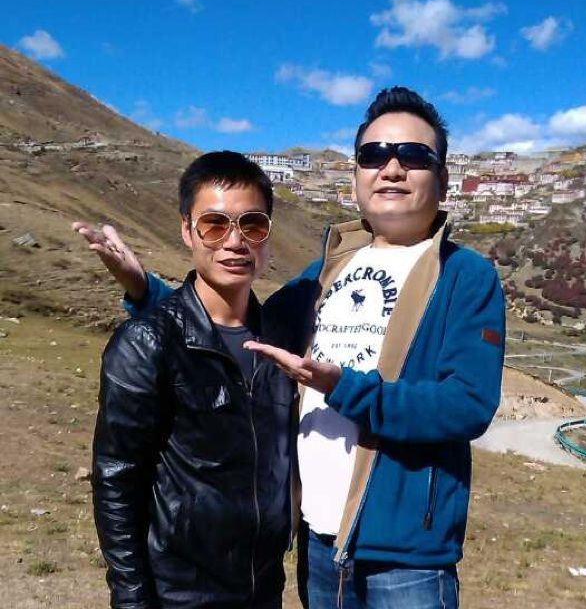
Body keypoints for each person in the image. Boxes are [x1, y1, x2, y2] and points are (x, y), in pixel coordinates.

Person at [77, 87, 505, 609]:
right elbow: (232, 325)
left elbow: (468, 404)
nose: (392, 168)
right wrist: (148, 293)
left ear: (442, 178)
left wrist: (347, 389)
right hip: (317, 542)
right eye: (374, 155)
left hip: (405, 558)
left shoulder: (465, 276)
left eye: (414, 155)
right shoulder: (324, 272)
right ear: (356, 174)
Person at [89, 151, 295, 609]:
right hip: (178, 592)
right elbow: (116, 481)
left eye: (253, 225)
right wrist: (132, 599)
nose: (235, 242)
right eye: (214, 225)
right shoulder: (148, 342)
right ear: (187, 230)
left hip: (263, 589)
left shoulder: (281, 344)